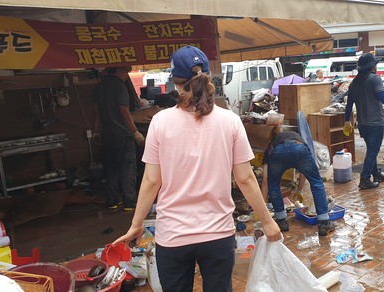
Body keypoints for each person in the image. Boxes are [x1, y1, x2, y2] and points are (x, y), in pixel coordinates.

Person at [112, 46, 281, 292]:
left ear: (176, 83)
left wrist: (136, 224)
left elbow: (150, 181)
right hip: (218, 235)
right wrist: (267, 220)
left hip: (173, 237)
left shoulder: (160, 122)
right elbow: (244, 178)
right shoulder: (230, 120)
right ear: (209, 78)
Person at [344, 53, 384, 190]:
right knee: (372, 152)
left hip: (363, 124)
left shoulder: (354, 83)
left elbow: (349, 105)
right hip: (375, 123)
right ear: (372, 67)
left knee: (371, 149)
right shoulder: (374, 79)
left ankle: (376, 174)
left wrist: (347, 120)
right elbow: (382, 96)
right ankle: (364, 179)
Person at [261, 128, 335, 236]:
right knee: (316, 182)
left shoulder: (271, 146)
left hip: (278, 152)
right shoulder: (298, 137)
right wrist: (299, 190)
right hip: (299, 148)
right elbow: (304, 172)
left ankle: (281, 221)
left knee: (274, 185)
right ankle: (324, 223)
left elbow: (265, 181)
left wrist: (261, 210)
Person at [93, 66, 145, 211]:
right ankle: (130, 202)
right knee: (127, 167)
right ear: (118, 71)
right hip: (123, 134)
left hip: (107, 134)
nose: (126, 75)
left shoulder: (99, 87)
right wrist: (135, 132)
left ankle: (113, 201)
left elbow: (96, 112)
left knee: (111, 168)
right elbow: (124, 111)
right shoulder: (120, 87)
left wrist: (96, 131)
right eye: (125, 72)